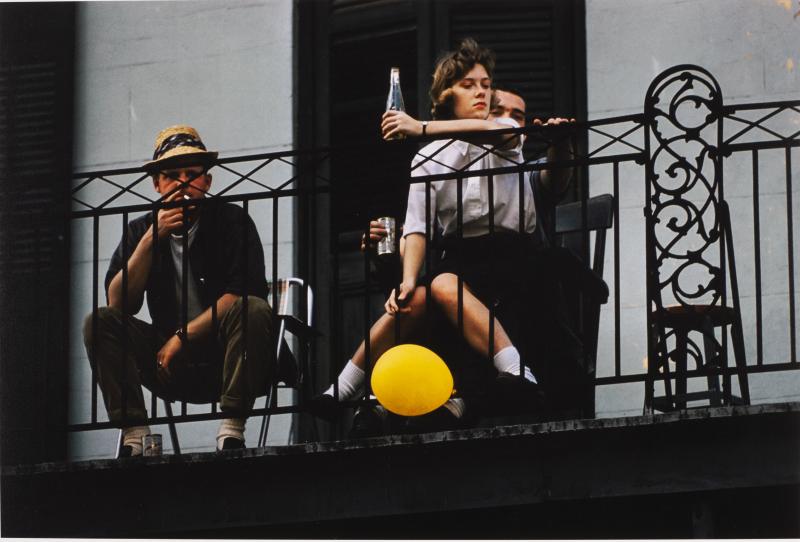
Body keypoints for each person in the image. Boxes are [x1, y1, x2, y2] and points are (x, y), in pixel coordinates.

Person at [313, 38, 559, 431]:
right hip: (461, 259)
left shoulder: (505, 129)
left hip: (512, 257)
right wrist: (407, 282)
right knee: (414, 299)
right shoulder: (428, 158)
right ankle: (344, 386)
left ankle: (517, 370)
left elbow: (503, 135)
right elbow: (416, 227)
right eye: (468, 84)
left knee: (443, 283)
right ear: (445, 95)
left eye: (485, 83)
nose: (481, 91)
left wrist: (420, 127)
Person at [83, 125, 282, 456]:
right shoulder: (140, 230)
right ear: (157, 184)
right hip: (168, 364)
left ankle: (232, 431)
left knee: (255, 308)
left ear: (207, 181)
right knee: (99, 321)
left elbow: (242, 294)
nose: (183, 184)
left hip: (226, 357)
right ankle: (134, 435)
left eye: (192, 174)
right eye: (172, 175)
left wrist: (182, 337)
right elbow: (118, 303)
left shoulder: (231, 220)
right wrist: (151, 238)